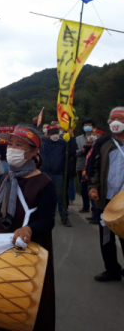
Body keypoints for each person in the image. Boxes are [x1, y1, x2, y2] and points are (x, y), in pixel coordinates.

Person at [0, 124, 57, 331]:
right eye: (10, 144)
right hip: (0, 255)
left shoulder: (44, 184)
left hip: (29, 257)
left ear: (33, 152)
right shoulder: (1, 179)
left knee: (29, 308)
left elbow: (47, 220)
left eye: (19, 145)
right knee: (3, 307)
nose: (12, 149)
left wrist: (30, 229)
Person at [88, 107, 124, 282]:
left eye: (120, 119)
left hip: (123, 201)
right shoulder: (103, 142)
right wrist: (93, 187)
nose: (116, 122)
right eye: (112, 119)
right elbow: (93, 167)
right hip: (107, 198)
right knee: (107, 238)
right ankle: (112, 270)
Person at [39, 124, 77, 227]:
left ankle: (64, 217)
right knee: (44, 197)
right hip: (45, 173)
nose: (54, 135)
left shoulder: (63, 143)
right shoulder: (43, 142)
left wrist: (72, 136)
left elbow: (72, 152)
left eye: (56, 133)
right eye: (52, 134)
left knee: (61, 197)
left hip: (59, 174)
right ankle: (43, 219)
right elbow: (35, 135)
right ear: (48, 134)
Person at [76, 119, 95, 213]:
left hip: (93, 166)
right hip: (81, 166)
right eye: (86, 124)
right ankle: (85, 206)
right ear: (83, 127)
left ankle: (94, 209)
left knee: (92, 187)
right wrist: (81, 151)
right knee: (83, 188)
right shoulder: (78, 138)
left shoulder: (96, 137)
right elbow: (74, 152)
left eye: (89, 124)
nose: (87, 126)